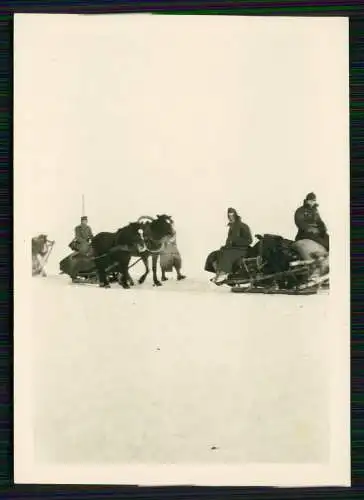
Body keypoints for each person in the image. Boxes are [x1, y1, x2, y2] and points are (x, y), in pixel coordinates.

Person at [213, 207, 253, 284]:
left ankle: (224, 273)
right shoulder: (231, 227)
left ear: (235, 215)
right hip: (233, 248)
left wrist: (236, 242)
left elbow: (249, 240)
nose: (231, 217)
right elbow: (229, 240)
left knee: (227, 254)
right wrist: (226, 246)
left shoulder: (243, 226)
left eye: (232, 215)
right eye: (229, 216)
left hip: (242, 249)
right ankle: (220, 273)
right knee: (218, 253)